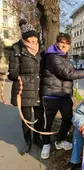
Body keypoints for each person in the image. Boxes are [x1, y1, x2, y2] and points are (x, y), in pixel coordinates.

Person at [40, 33, 84, 159]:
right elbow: (68, 74)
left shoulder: (65, 57)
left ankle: (59, 141)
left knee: (68, 119)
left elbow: (73, 70)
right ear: (57, 42)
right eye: (62, 42)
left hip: (65, 95)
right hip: (51, 95)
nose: (64, 45)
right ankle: (45, 144)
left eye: (67, 43)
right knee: (47, 122)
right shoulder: (52, 56)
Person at [8, 19, 44, 155]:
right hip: (25, 90)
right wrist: (16, 75)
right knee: (27, 118)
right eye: (30, 40)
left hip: (40, 88)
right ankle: (27, 141)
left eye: (35, 39)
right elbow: (13, 72)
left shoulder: (42, 49)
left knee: (40, 115)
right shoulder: (16, 49)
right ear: (24, 39)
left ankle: (37, 138)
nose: (33, 42)